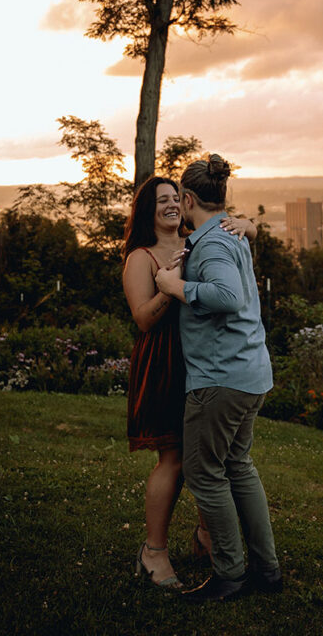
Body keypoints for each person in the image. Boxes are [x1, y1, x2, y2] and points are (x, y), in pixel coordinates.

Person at [155, 155, 282, 602]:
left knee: (205, 474)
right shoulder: (229, 232)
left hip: (221, 379)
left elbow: (226, 296)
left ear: (188, 199)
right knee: (238, 468)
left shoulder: (211, 244)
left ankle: (230, 573)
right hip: (250, 374)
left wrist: (177, 289)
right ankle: (266, 570)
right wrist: (249, 226)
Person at [122, 174, 255, 590]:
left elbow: (237, 229)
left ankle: (205, 535)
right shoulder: (140, 257)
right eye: (161, 200)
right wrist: (169, 287)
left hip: (202, 359)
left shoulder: (197, 240)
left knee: (208, 457)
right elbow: (143, 319)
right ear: (148, 210)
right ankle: (153, 552)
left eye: (174, 198)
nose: (171, 205)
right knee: (175, 459)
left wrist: (250, 225)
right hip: (163, 363)